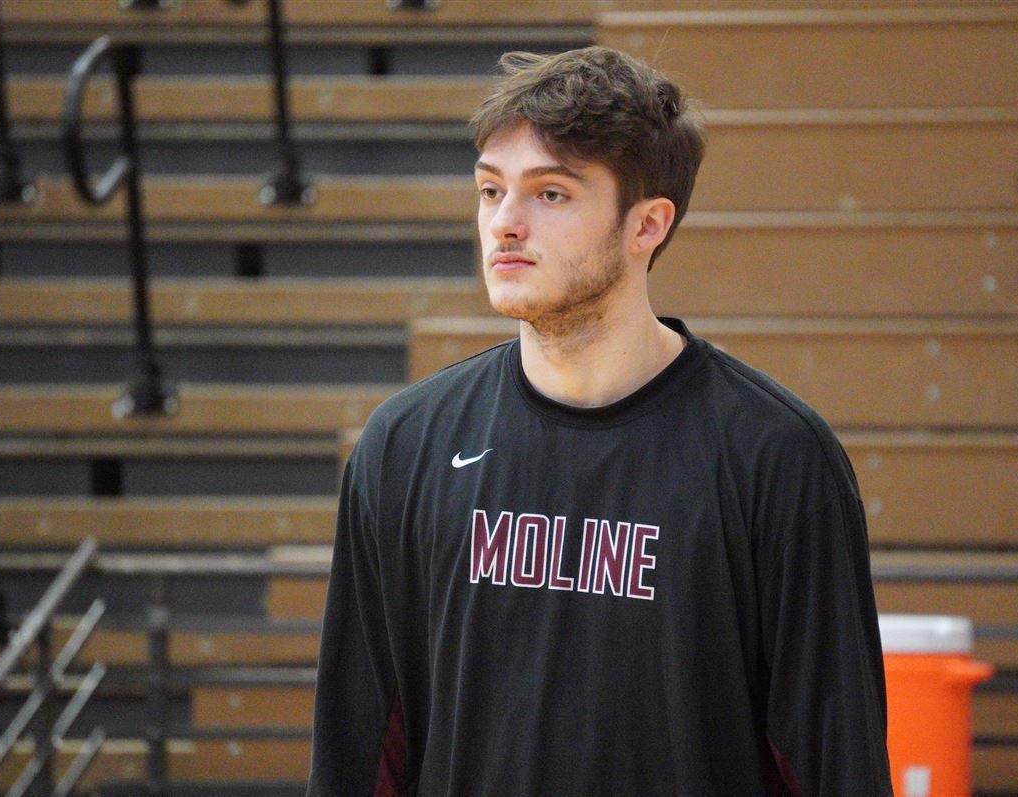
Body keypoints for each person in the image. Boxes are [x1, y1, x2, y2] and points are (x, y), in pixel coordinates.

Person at [306, 46, 892, 796]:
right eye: (491, 191)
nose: (505, 225)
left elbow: (833, 763)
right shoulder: (404, 446)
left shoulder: (776, 458)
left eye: (550, 194)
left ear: (647, 224)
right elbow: (361, 749)